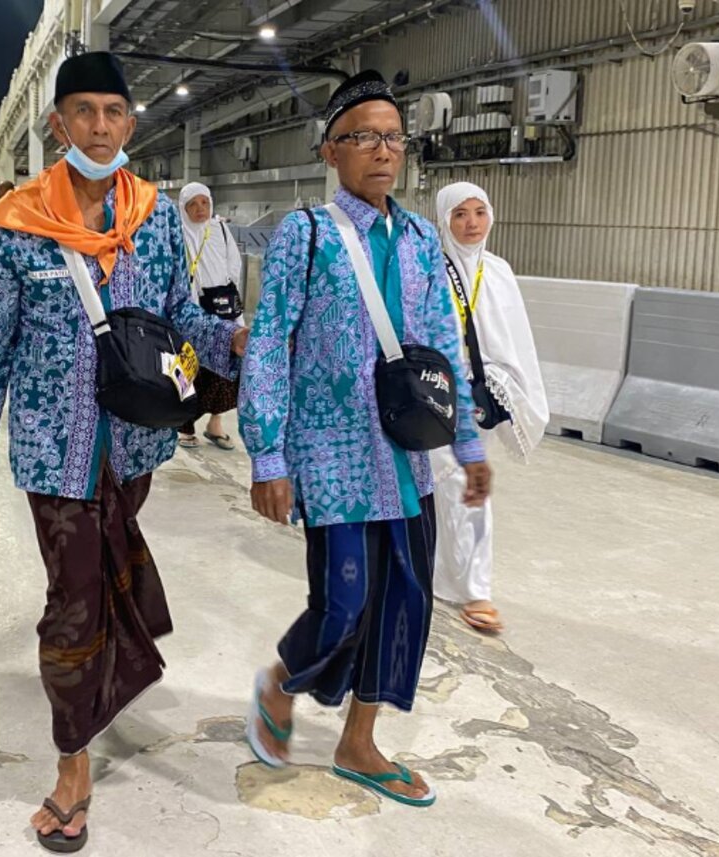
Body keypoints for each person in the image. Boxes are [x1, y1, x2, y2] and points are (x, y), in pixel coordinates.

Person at [0, 51, 247, 853]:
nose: (100, 126)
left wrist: (237, 337)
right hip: (53, 448)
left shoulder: (152, 215)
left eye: (114, 113)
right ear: (59, 124)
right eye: (84, 112)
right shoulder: (16, 223)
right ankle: (72, 760)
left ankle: (99, 691)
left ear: (131, 121)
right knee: (74, 599)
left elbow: (183, 312)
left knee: (101, 590)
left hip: (136, 444)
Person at [238, 70, 492, 808]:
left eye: (392, 137)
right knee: (344, 601)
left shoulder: (417, 237)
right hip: (331, 453)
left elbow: (443, 346)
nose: (383, 151)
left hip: (406, 456)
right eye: (363, 137)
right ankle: (281, 683)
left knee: (404, 604)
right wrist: (269, 452)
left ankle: (360, 741)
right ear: (330, 151)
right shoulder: (307, 236)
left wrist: (468, 445)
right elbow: (269, 343)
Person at [431, 182, 549, 634]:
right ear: (444, 220)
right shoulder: (430, 269)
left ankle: (472, 588)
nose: (471, 223)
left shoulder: (499, 271)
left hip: (478, 397)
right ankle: (455, 581)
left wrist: (503, 382)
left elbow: (514, 336)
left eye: (480, 212)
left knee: (463, 486)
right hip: (433, 392)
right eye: (460, 214)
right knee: (441, 483)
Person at [175, 181, 244, 451]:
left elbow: (233, 266)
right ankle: (184, 424)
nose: (199, 209)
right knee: (190, 368)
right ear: (184, 208)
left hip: (224, 308)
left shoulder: (221, 230)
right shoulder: (179, 234)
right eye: (192, 204)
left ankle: (215, 422)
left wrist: (232, 305)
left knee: (226, 370)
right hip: (192, 308)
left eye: (204, 202)